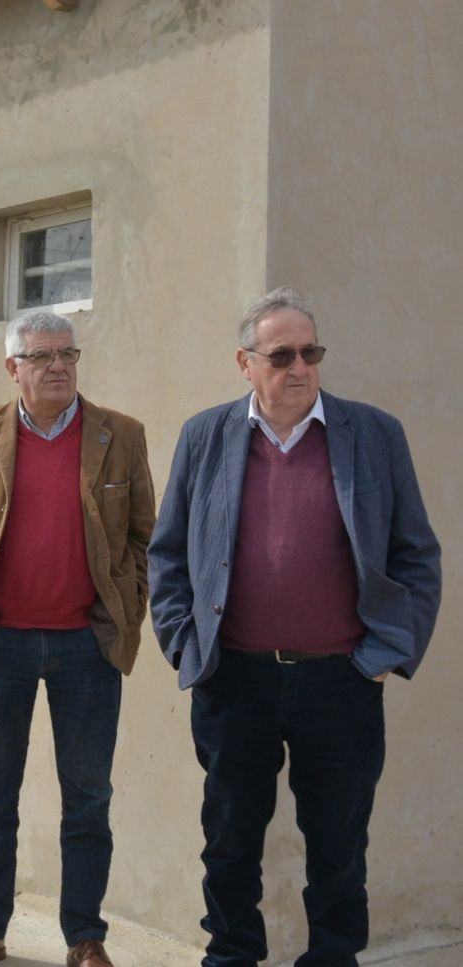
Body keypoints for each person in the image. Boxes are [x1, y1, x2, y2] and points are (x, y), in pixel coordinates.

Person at [148, 287, 441, 967]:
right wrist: (183, 642)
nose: (300, 366)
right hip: (235, 677)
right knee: (229, 836)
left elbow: (416, 554)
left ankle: (333, 956)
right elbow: (167, 554)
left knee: (338, 842)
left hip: (340, 678)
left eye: (311, 352)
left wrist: (384, 652)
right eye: (282, 355)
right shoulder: (206, 436)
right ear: (245, 362)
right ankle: (231, 953)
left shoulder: (374, 434)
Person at [0, 311, 154, 967]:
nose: (58, 365)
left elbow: (144, 535)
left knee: (88, 799)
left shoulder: (120, 434)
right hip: (2, 645)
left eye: (68, 353)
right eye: (42, 355)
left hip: (89, 645)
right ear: (14, 367)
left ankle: (85, 935)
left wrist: (128, 603)